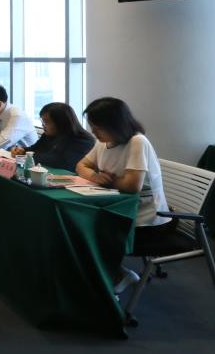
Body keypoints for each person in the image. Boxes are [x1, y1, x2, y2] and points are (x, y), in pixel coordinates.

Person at [75, 97, 171, 293]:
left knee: (86, 230)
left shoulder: (137, 141)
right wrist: (95, 176)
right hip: (118, 210)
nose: (93, 132)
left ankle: (118, 275)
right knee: (77, 224)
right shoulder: (104, 142)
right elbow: (81, 165)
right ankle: (104, 274)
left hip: (145, 220)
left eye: (97, 127)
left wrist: (106, 180)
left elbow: (132, 185)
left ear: (114, 125)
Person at [11, 102, 95, 170]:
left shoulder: (83, 140)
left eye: (47, 122)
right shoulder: (48, 135)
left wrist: (28, 155)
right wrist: (22, 151)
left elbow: (62, 162)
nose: (43, 125)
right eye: (42, 121)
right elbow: (34, 149)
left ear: (61, 123)